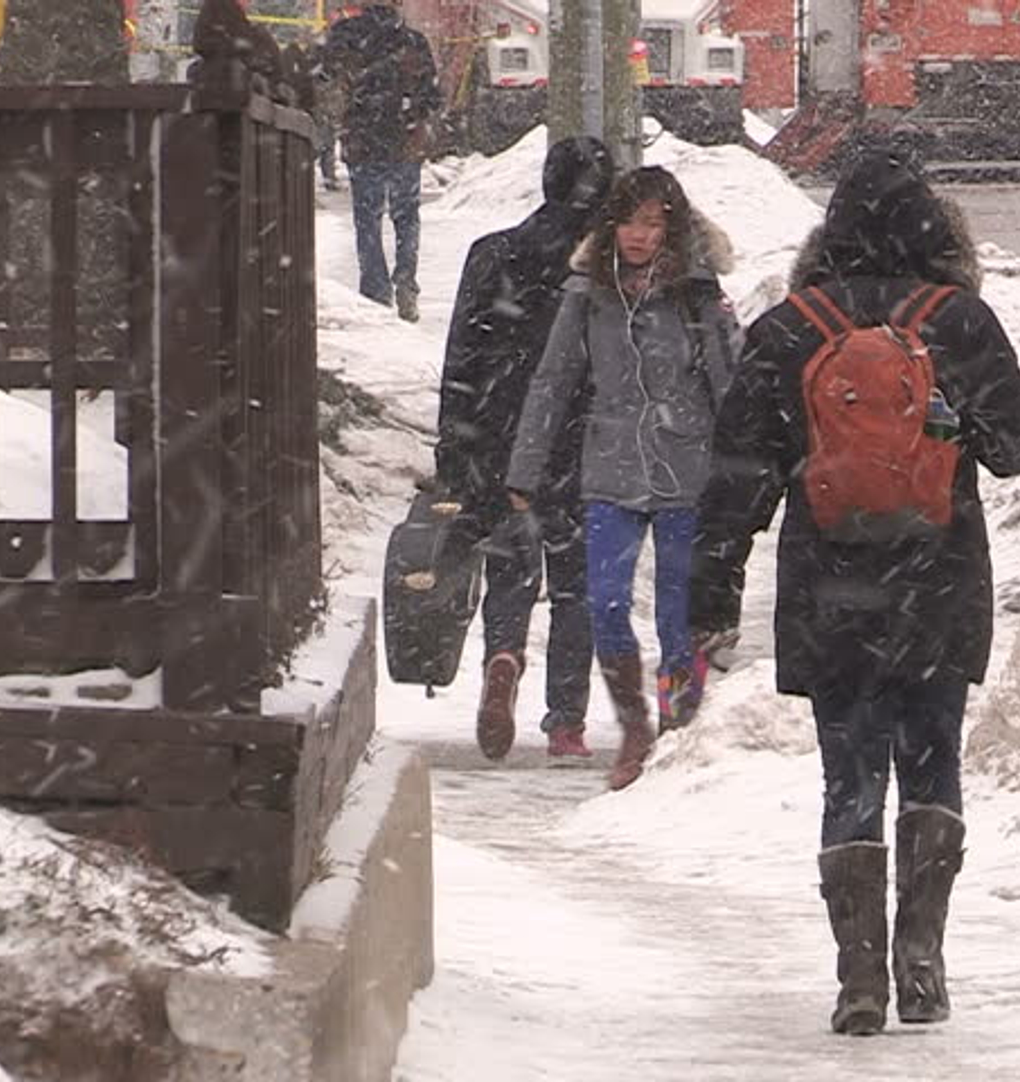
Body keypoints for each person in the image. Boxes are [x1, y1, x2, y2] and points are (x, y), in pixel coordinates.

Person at [688, 148, 1020, 1036]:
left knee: (849, 773)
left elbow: (738, 477)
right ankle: (921, 959)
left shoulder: (789, 328)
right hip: (938, 578)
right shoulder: (958, 321)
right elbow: (1019, 450)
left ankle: (857, 980)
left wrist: (713, 593)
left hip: (830, 586)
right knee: (933, 763)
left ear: (831, 231)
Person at [507, 167, 739, 791]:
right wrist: (525, 465)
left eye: (652, 224)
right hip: (610, 464)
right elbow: (553, 380)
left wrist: (744, 468)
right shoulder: (588, 293)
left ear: (672, 230)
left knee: (674, 612)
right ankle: (634, 724)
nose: (638, 236)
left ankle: (677, 723)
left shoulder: (697, 293)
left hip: (687, 466)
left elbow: (729, 382)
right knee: (604, 603)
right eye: (629, 222)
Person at [434, 136, 616, 762]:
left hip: (496, 431)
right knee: (577, 583)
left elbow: (460, 354)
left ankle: (504, 656)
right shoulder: (604, 268)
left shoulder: (494, 254)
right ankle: (566, 720)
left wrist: (453, 445)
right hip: (578, 433)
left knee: (511, 561)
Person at [316, 0, 441, 321]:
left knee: (367, 218)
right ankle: (406, 282)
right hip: (405, 141)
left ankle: (375, 289)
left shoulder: (344, 37)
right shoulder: (413, 42)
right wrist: (412, 114)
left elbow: (325, 82)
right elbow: (431, 96)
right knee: (406, 216)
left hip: (363, 141)